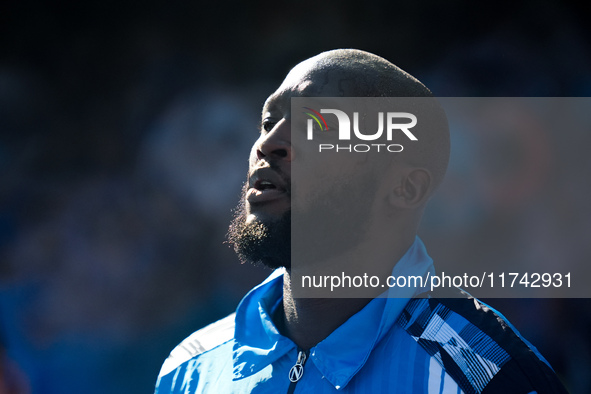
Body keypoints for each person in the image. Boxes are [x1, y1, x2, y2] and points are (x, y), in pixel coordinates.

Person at [155, 49, 568, 393]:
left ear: (405, 188)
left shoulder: (489, 376)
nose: (268, 144)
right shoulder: (189, 370)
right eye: (267, 122)